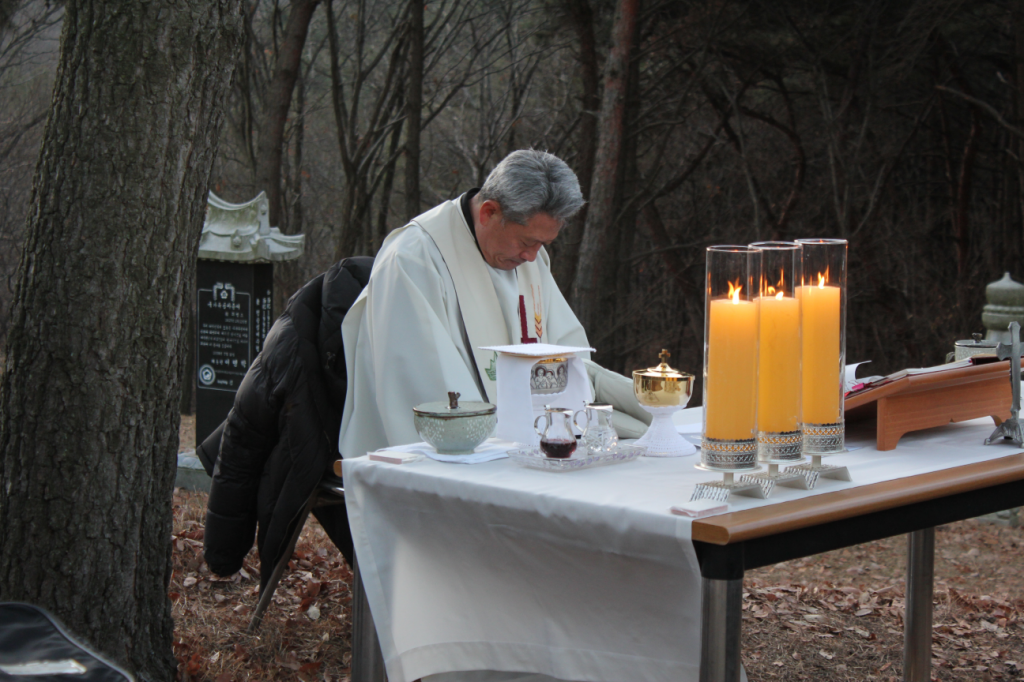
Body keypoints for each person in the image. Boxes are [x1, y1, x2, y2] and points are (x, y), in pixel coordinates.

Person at [339, 149, 650, 460]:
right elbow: (426, 387)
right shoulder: (413, 260)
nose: (532, 256)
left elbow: (569, 361)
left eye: (543, 244)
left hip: (526, 441)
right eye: (527, 241)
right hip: (443, 457)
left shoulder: (530, 259)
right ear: (489, 212)